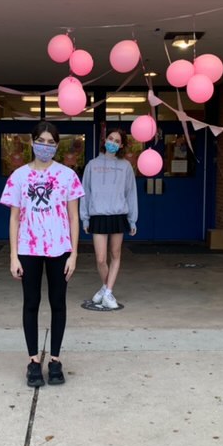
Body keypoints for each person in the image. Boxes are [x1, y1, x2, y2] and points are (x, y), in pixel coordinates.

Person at [0, 122, 84, 387]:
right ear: (32, 141)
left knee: (58, 303)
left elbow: (73, 217)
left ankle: (56, 360)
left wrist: (73, 254)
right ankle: (33, 361)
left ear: (57, 146)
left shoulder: (68, 175)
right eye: (41, 140)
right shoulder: (19, 176)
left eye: (51, 142)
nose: (45, 146)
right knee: (31, 303)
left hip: (59, 248)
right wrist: (13, 255)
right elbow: (14, 218)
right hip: (28, 248)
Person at [81, 128, 138, 310]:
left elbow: (131, 193)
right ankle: (106, 289)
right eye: (110, 138)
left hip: (118, 215)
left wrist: (132, 219)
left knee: (115, 255)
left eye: (117, 141)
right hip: (98, 215)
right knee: (100, 258)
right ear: (105, 140)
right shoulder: (91, 165)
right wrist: (85, 218)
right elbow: (85, 192)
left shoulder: (126, 166)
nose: (112, 142)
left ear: (121, 145)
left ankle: (107, 292)